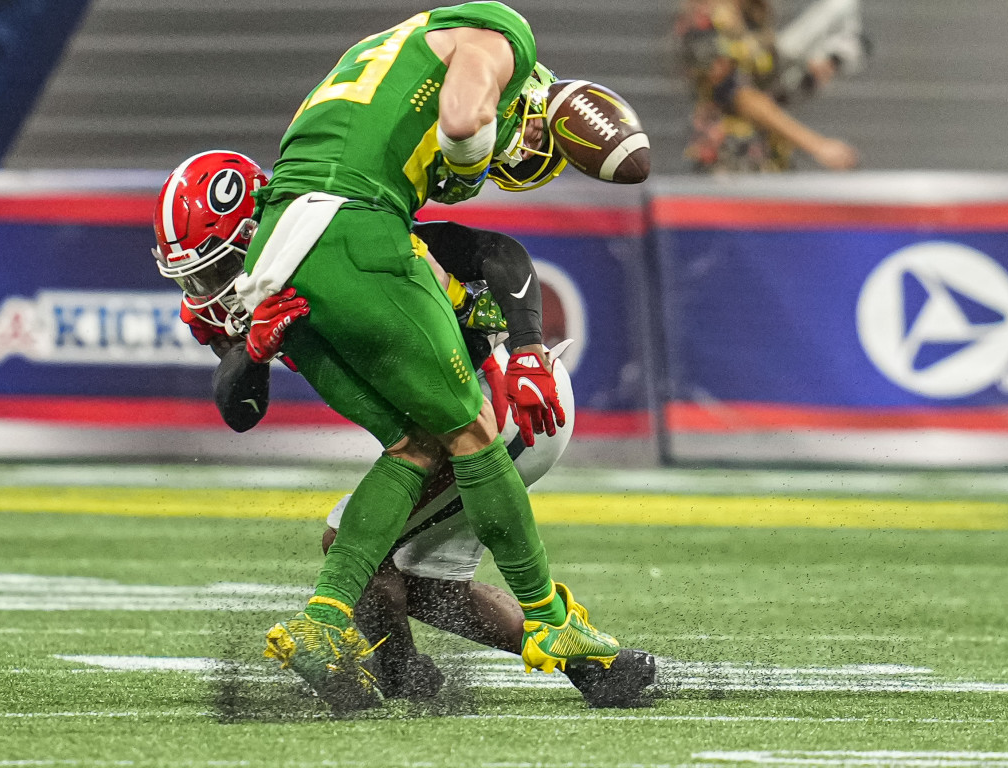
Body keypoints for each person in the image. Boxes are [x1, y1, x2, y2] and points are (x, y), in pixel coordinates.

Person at [153, 150, 657, 708]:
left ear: (259, 232)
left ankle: (410, 669)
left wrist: (528, 349)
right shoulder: (254, 293)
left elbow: (499, 253)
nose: (207, 288)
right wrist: (252, 350)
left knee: (355, 544)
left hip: (498, 406)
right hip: (452, 420)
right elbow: (239, 410)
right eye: (197, 274)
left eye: (218, 268)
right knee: (418, 582)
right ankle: (590, 665)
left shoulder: (349, 246)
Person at [231, 1, 622, 710]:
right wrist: (469, 159)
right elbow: (466, 122)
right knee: (472, 432)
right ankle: (550, 620)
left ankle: (322, 624)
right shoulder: (504, 37)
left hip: (280, 245)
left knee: (413, 446)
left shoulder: (385, 50)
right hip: (353, 227)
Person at [676, 0, 859, 172]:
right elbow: (739, 96)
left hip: (767, 159)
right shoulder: (702, 21)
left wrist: (814, 74)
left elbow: (772, 94)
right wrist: (816, 145)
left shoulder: (752, 19)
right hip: (728, 162)